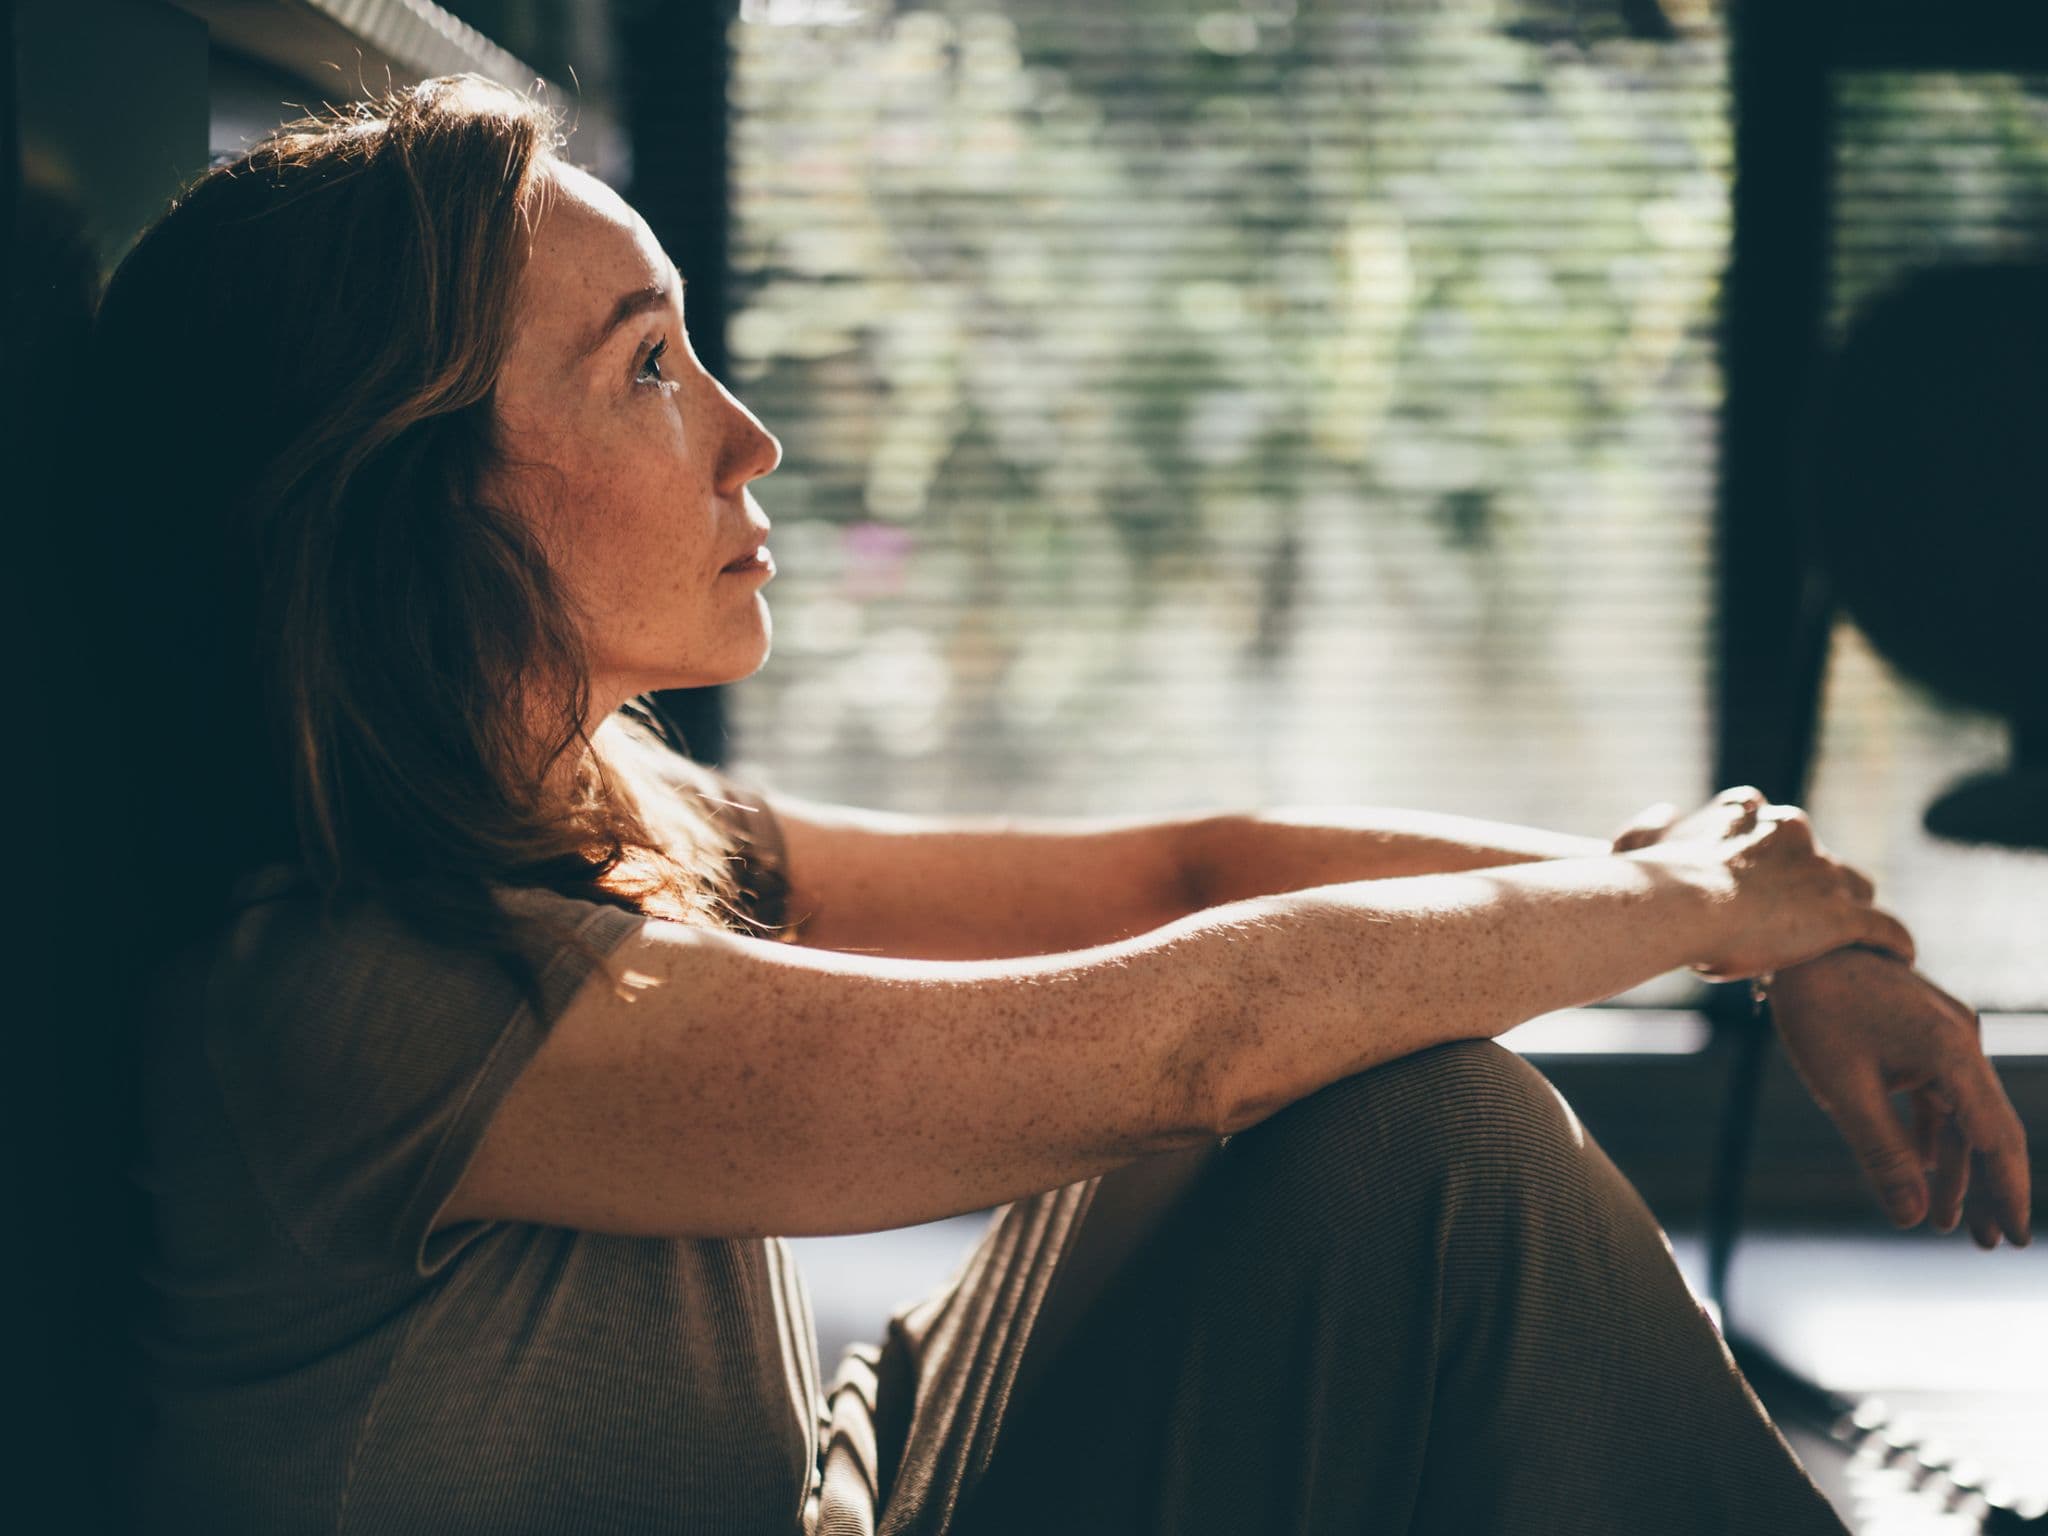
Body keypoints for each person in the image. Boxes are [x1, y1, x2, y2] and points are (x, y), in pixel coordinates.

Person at [93, 75, 2030, 1536]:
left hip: (839, 1490)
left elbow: (1184, 876)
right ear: (423, 504)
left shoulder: (597, 809)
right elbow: (1194, 1038)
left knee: (1398, 1095)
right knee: (1414, 1128)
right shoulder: (348, 997)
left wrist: (1774, 923)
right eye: (650, 369)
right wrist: (1709, 910)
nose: (749, 438)